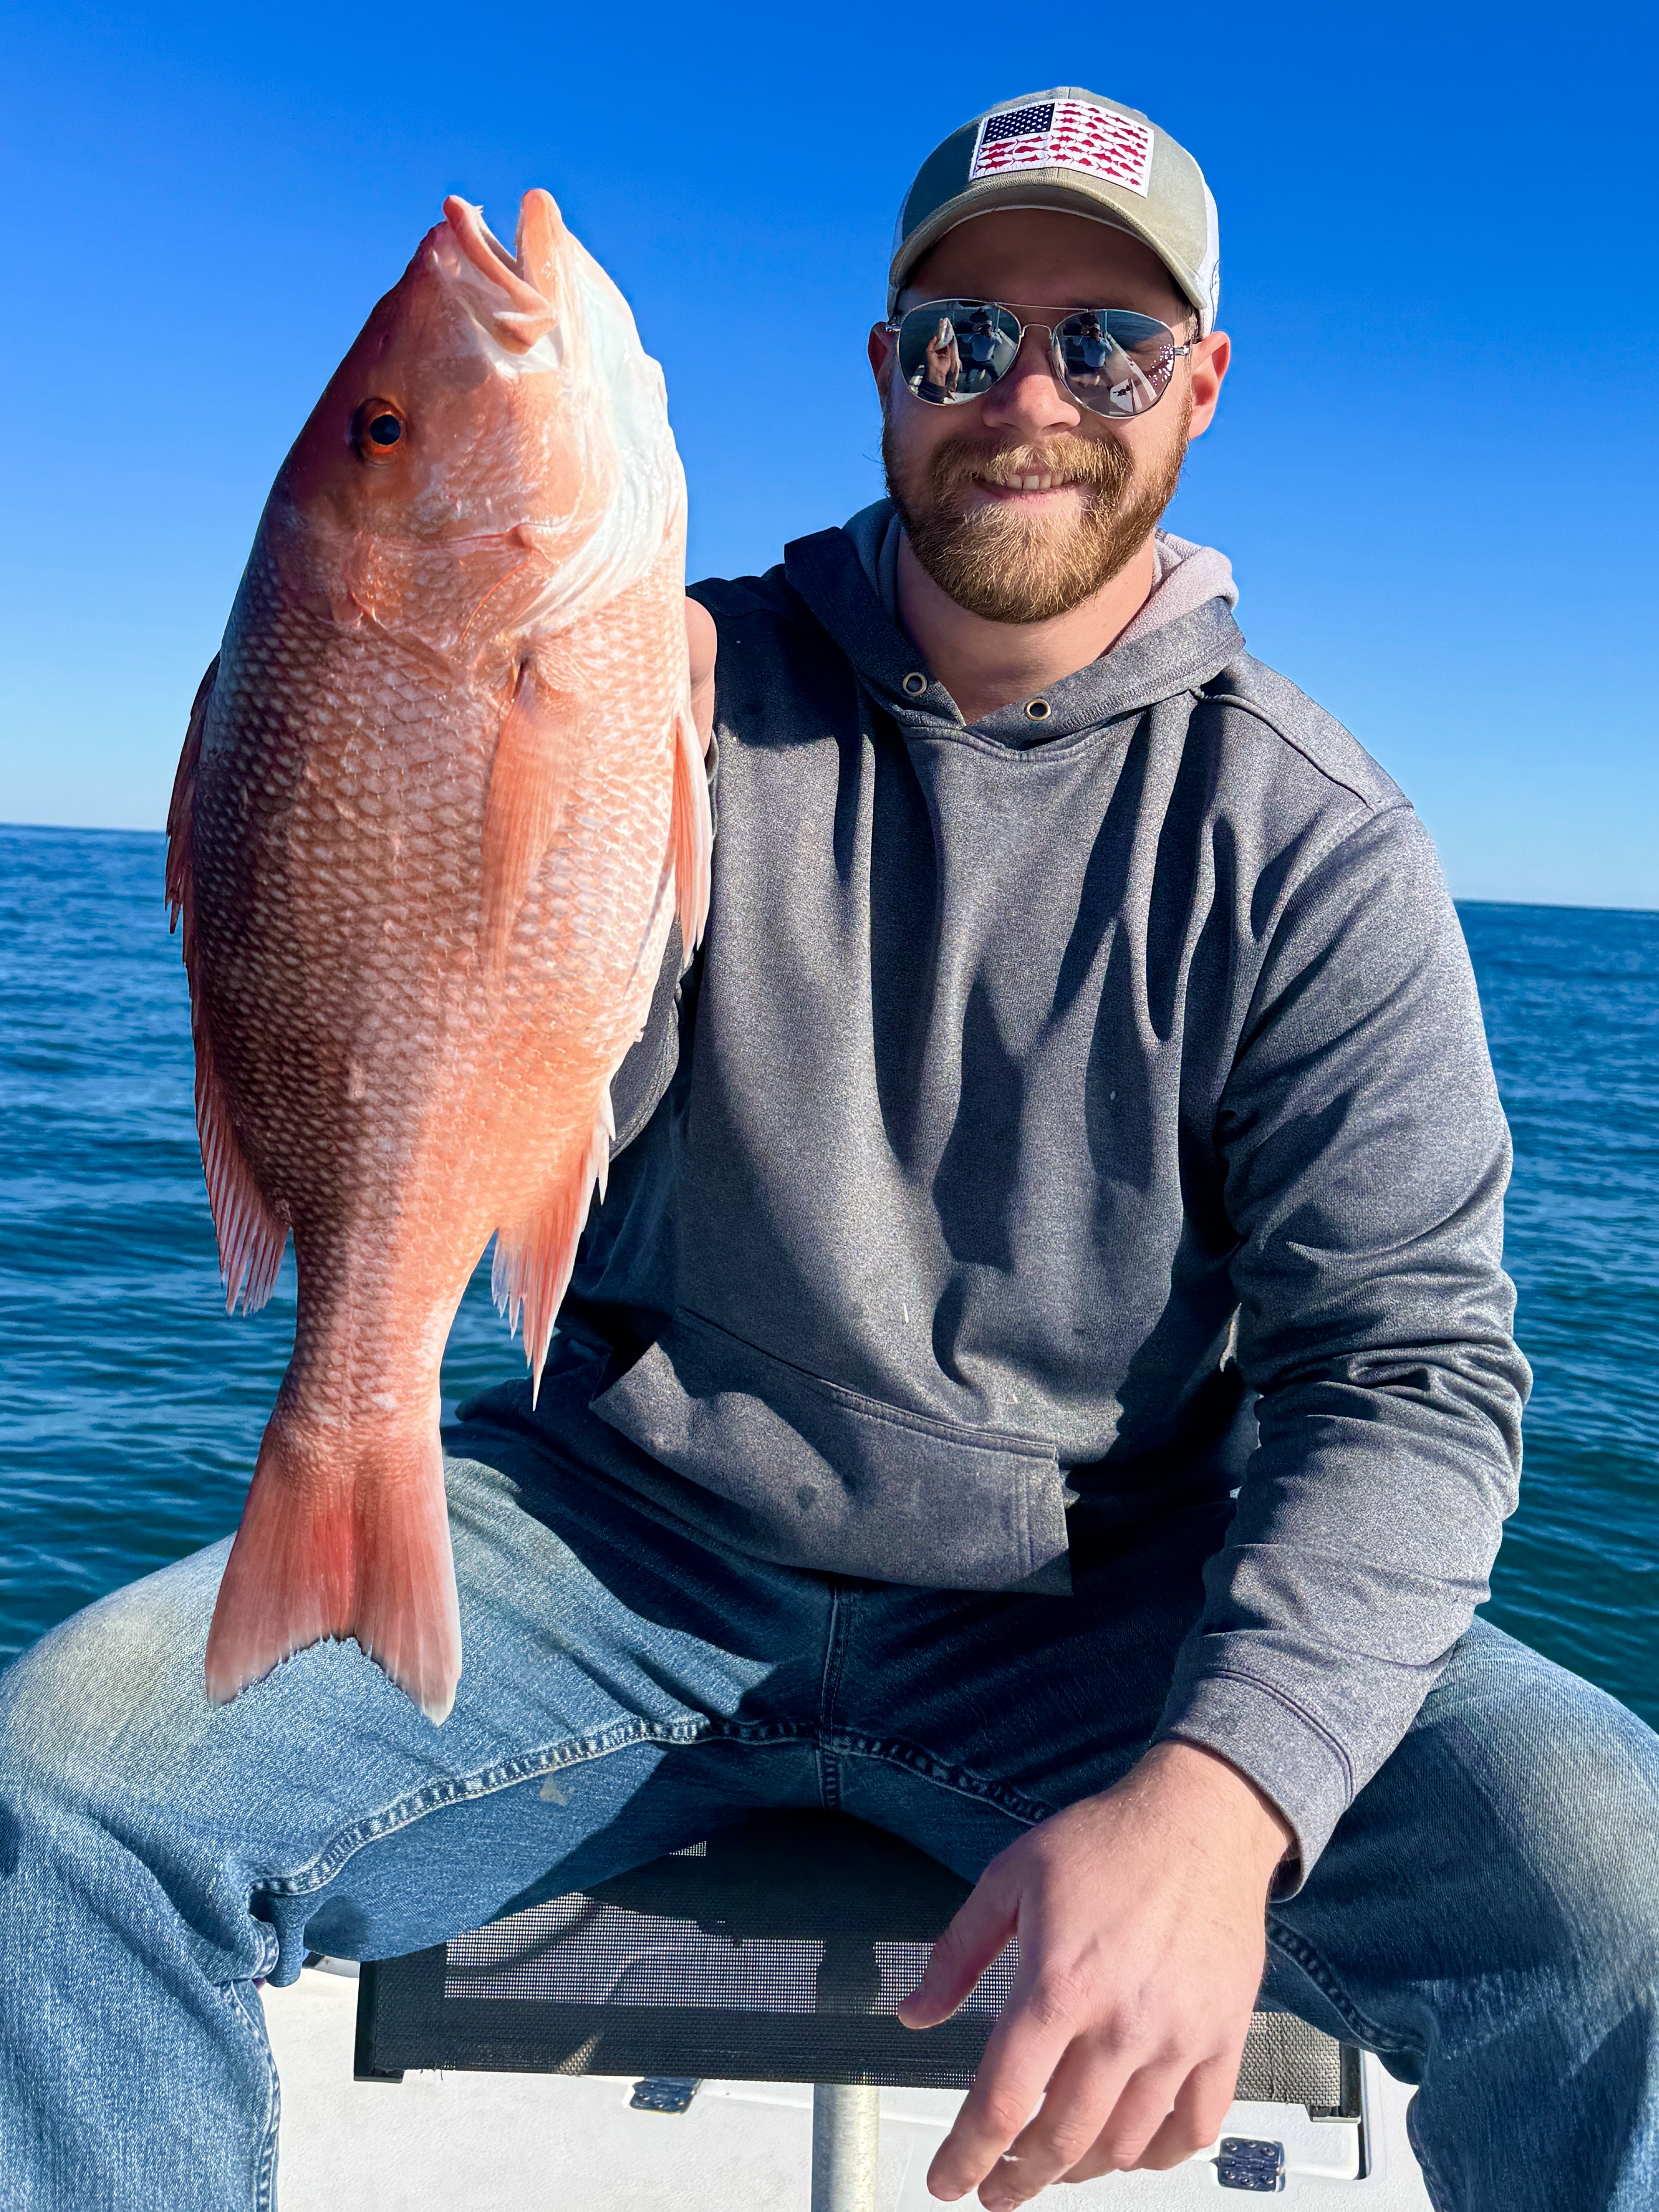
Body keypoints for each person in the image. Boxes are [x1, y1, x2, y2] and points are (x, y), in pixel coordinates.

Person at [1, 85, 1656, 2212]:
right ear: (886, 373)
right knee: (63, 1790)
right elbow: (503, 1047)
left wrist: (1223, 1798)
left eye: (1106, 345)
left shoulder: (1311, 846)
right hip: (622, 1557)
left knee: (1614, 1890)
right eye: (966, 339)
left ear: (1202, 390)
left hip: (1097, 1612)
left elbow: (1413, 1371)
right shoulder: (665, 683)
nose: (1029, 398)